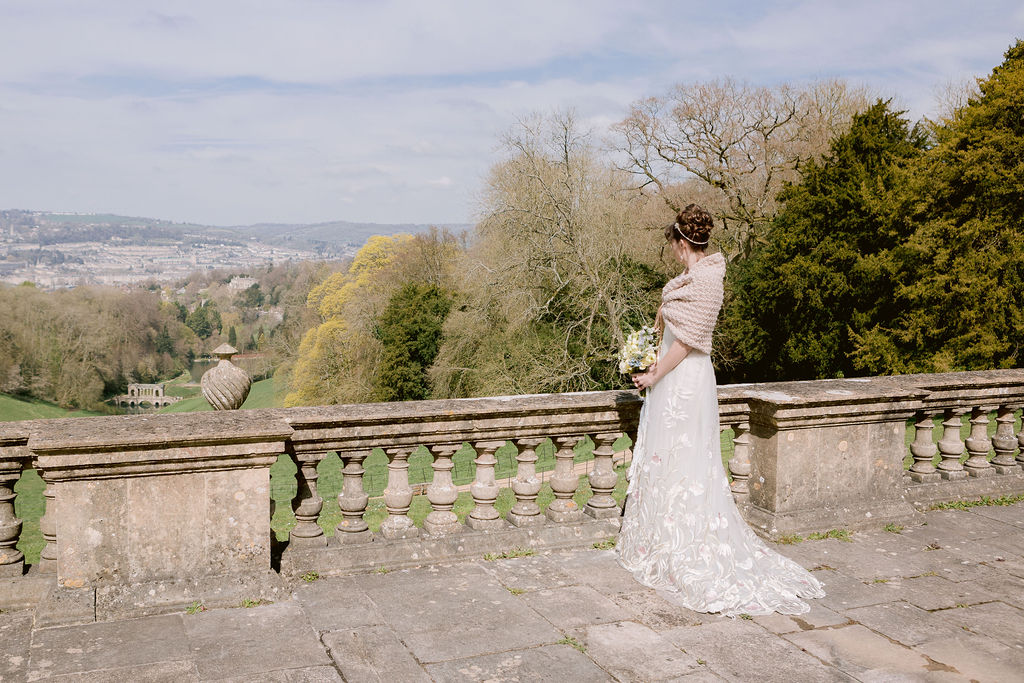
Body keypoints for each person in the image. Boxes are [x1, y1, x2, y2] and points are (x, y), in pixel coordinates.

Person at [615, 204, 824, 616]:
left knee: (688, 459)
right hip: (672, 377)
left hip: (686, 381)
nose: (672, 252)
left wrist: (655, 376)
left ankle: (686, 544)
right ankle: (659, 537)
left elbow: (688, 341)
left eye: (672, 244)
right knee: (666, 456)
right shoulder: (690, 278)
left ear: (680, 243)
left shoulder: (708, 280)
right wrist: (645, 358)